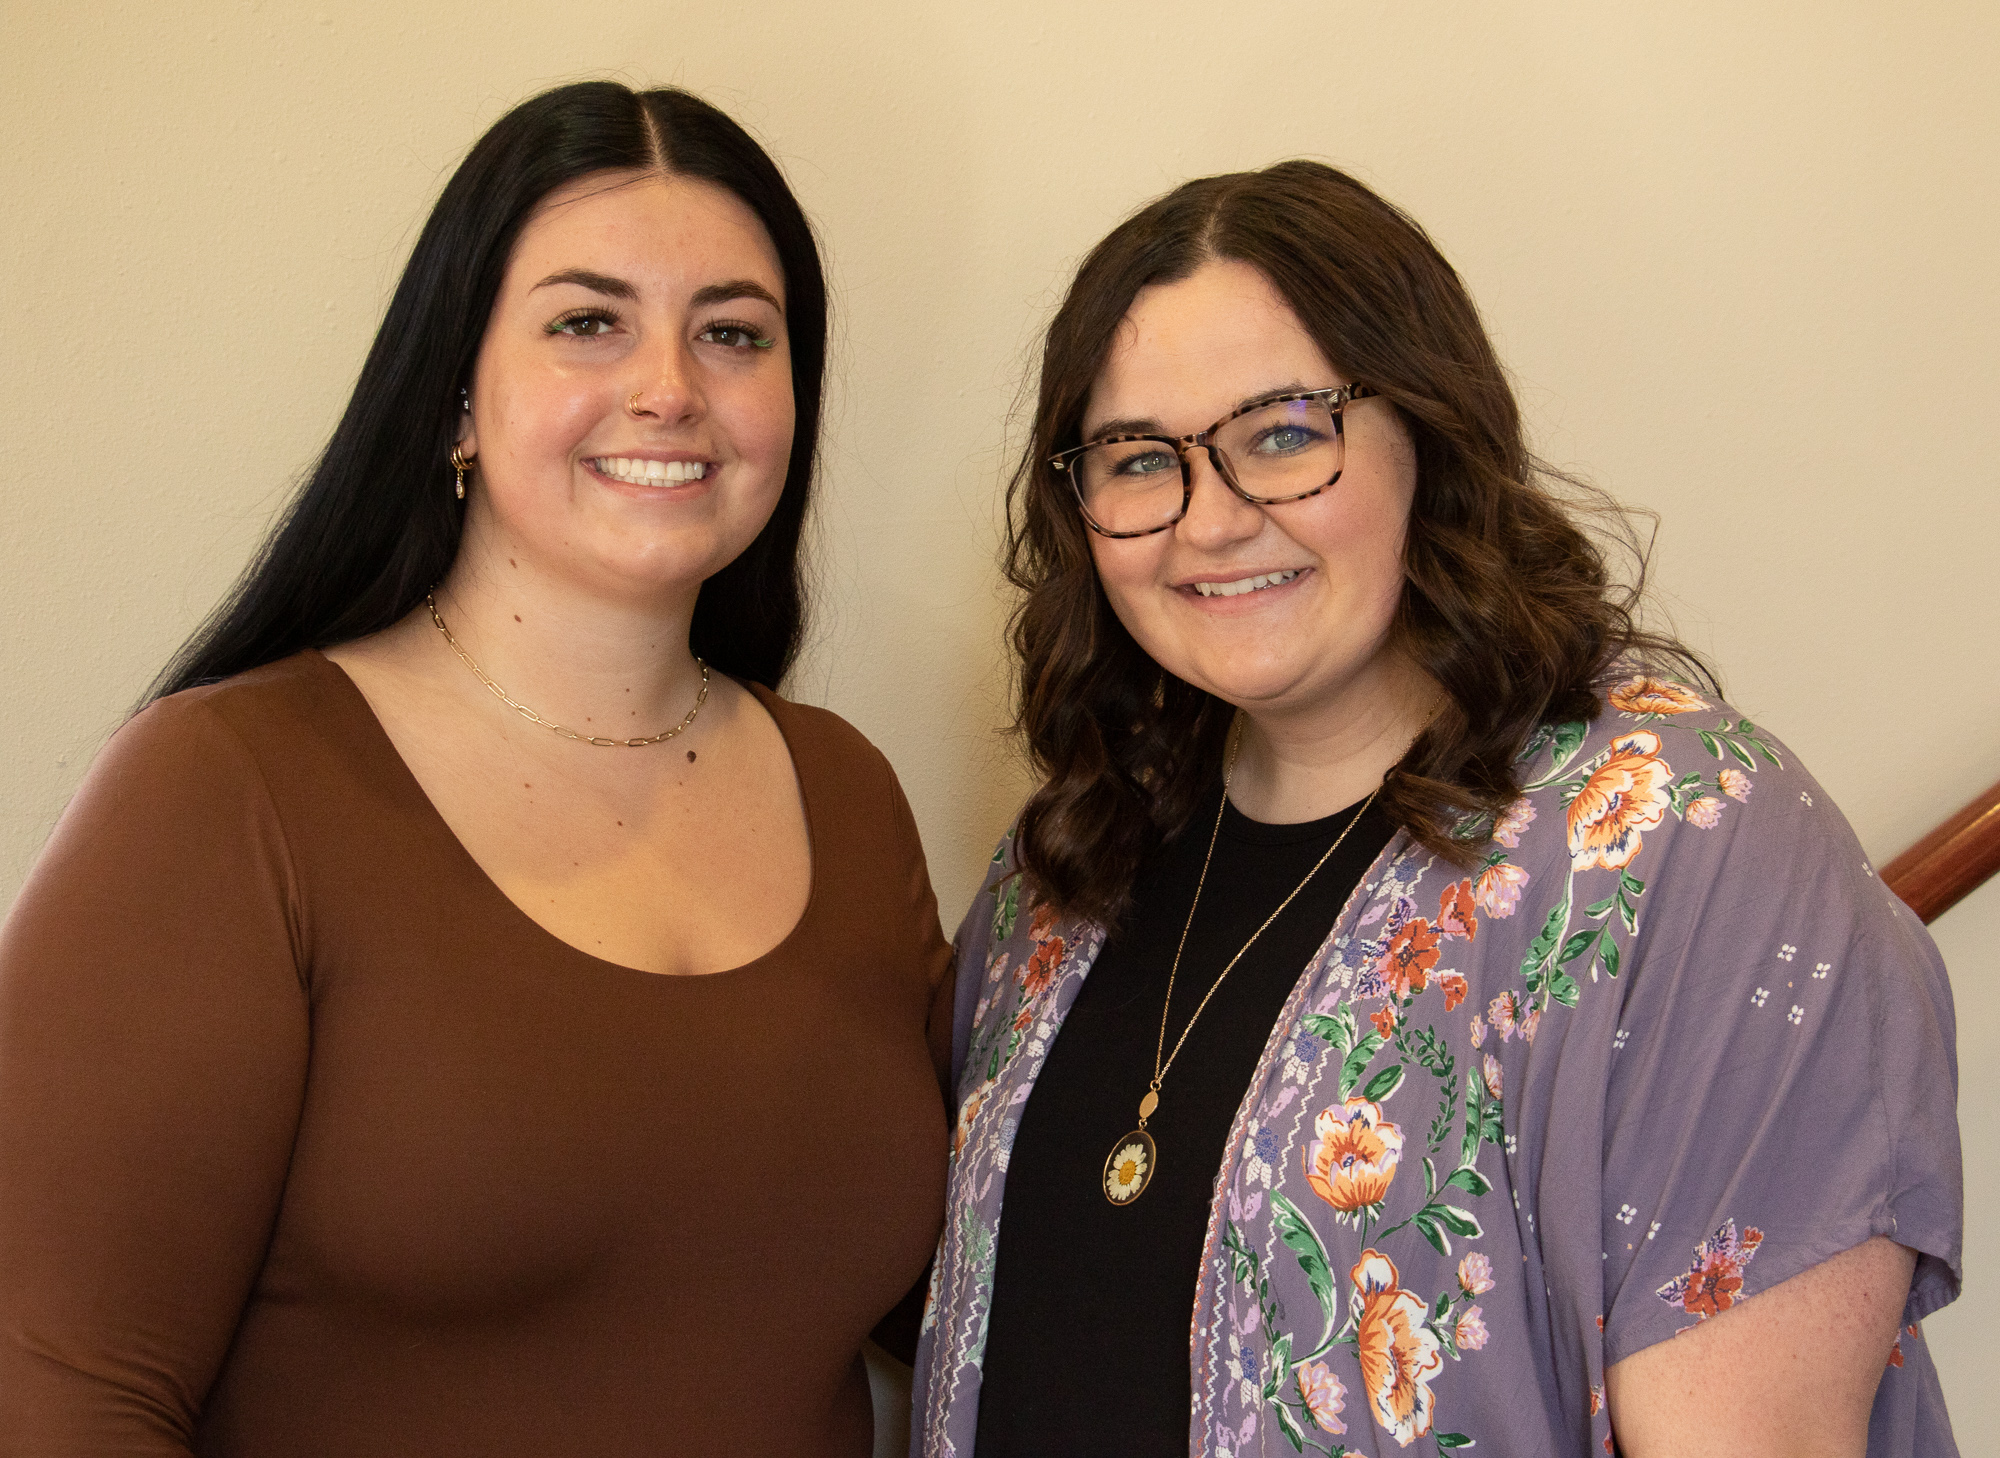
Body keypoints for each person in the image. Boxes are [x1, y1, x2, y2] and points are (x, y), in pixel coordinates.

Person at [913, 162, 1960, 1457]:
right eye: (1140, 459)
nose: (1212, 520)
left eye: (1285, 432)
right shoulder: (1059, 873)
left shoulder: (1683, 841)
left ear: (1429, 435)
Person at [0, 81, 951, 1457]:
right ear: (455, 395)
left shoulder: (848, 798)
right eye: (587, 322)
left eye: (734, 332)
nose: (671, 388)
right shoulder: (229, 789)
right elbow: (54, 1391)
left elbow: (979, 1294)